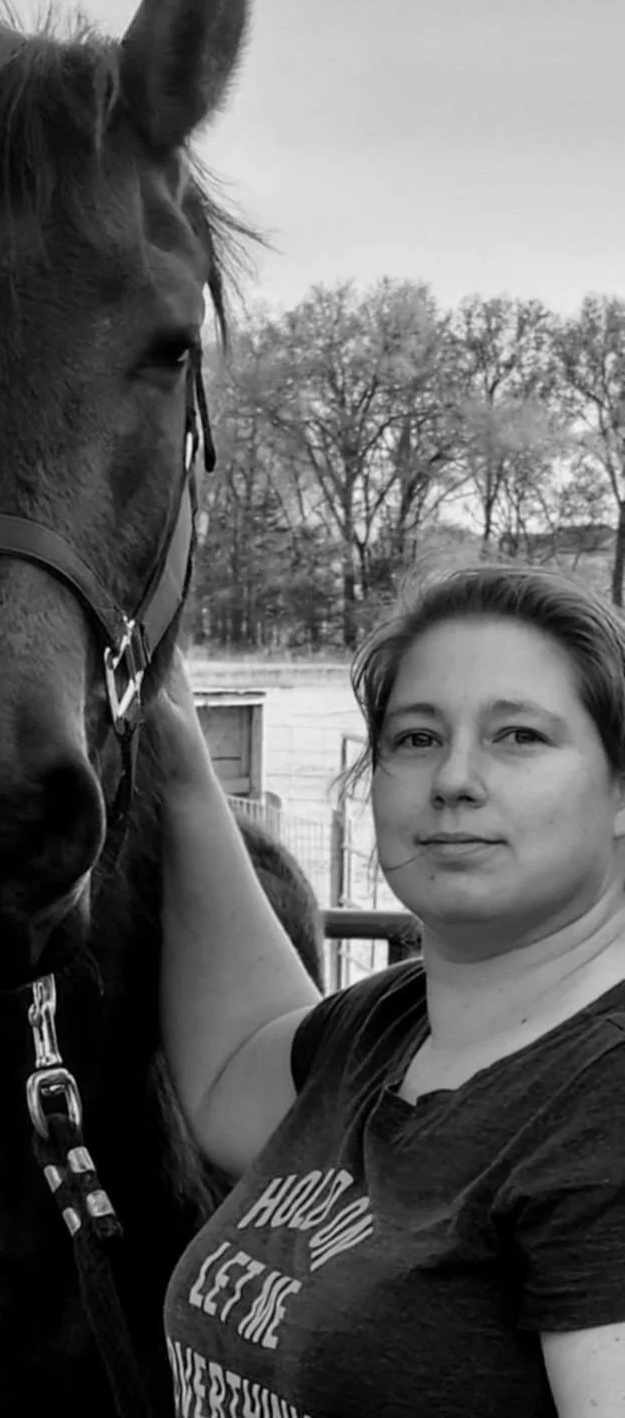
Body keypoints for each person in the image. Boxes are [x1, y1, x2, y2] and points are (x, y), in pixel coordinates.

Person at [155, 562, 625, 1418]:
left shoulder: (604, 1105)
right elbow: (228, 1072)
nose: (454, 779)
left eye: (519, 735)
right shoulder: (387, 1026)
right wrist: (179, 761)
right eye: (416, 737)